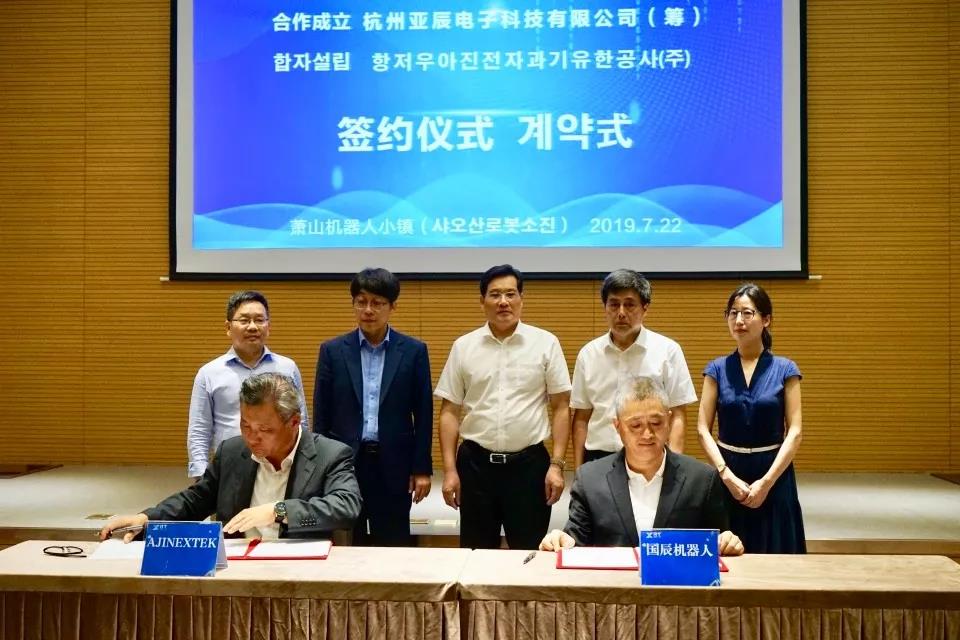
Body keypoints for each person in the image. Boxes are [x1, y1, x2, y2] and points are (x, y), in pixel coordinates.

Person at [101, 373, 361, 541]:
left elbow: (345, 507)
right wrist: (147, 518)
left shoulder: (330, 454)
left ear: (294, 422)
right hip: (236, 573)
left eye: (265, 430)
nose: (252, 438)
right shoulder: (232, 452)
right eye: (245, 426)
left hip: (298, 574)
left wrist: (278, 510)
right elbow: (195, 500)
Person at [435, 264, 571, 550]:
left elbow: (561, 407)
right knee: (475, 554)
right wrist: (449, 470)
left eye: (510, 294)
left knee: (530, 553)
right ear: (482, 301)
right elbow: (449, 411)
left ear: (521, 299)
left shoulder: (546, 343)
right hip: (475, 466)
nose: (503, 302)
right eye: (495, 295)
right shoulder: (464, 346)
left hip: (529, 468)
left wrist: (557, 466)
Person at [540, 376, 743, 555]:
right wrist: (560, 539)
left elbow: (718, 543)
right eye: (635, 425)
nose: (647, 434)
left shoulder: (702, 479)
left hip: (678, 584)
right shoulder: (590, 480)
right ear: (617, 426)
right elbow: (574, 542)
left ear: (669, 421)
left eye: (656, 423)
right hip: (612, 585)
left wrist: (728, 542)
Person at [313, 268, 433, 546]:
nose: (368, 310)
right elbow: (322, 413)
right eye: (361, 302)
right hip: (345, 463)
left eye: (377, 303)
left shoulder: (413, 351)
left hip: (394, 463)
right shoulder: (332, 350)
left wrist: (421, 468)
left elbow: (423, 412)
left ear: (392, 306)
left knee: (394, 541)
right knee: (345, 541)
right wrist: (320, 467)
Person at [696, 283, 805, 553]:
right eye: (733, 313)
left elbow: (795, 432)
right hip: (727, 470)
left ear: (766, 319)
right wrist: (726, 476)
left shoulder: (786, 369)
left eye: (747, 313)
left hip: (773, 471)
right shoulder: (716, 369)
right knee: (727, 551)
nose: (739, 320)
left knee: (776, 549)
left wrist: (766, 482)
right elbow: (702, 429)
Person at [570, 269, 696, 466]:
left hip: (651, 454)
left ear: (645, 308)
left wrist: (674, 466)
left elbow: (677, 413)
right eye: (614, 304)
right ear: (605, 307)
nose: (621, 313)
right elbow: (581, 418)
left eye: (629, 305)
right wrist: (580, 471)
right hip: (599, 458)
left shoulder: (668, 351)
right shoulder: (588, 354)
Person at [186, 290, 310, 479]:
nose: (252, 327)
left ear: (268, 326)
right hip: (230, 469)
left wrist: (304, 467)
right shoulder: (209, 373)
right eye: (244, 320)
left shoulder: (287, 368)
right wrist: (201, 478)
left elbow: (301, 423)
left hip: (281, 468)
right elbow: (199, 431)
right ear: (228, 327)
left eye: (259, 320)